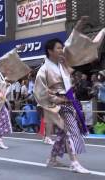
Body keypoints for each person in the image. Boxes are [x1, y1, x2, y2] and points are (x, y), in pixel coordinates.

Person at [34, 28, 91, 173]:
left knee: (63, 133)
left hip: (69, 100)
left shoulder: (61, 65)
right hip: (59, 104)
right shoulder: (44, 69)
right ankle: (74, 162)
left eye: (62, 48)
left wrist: (78, 27)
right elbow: (40, 91)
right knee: (71, 131)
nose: (61, 50)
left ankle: (52, 159)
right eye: (58, 48)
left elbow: (70, 72)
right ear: (50, 51)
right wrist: (57, 99)